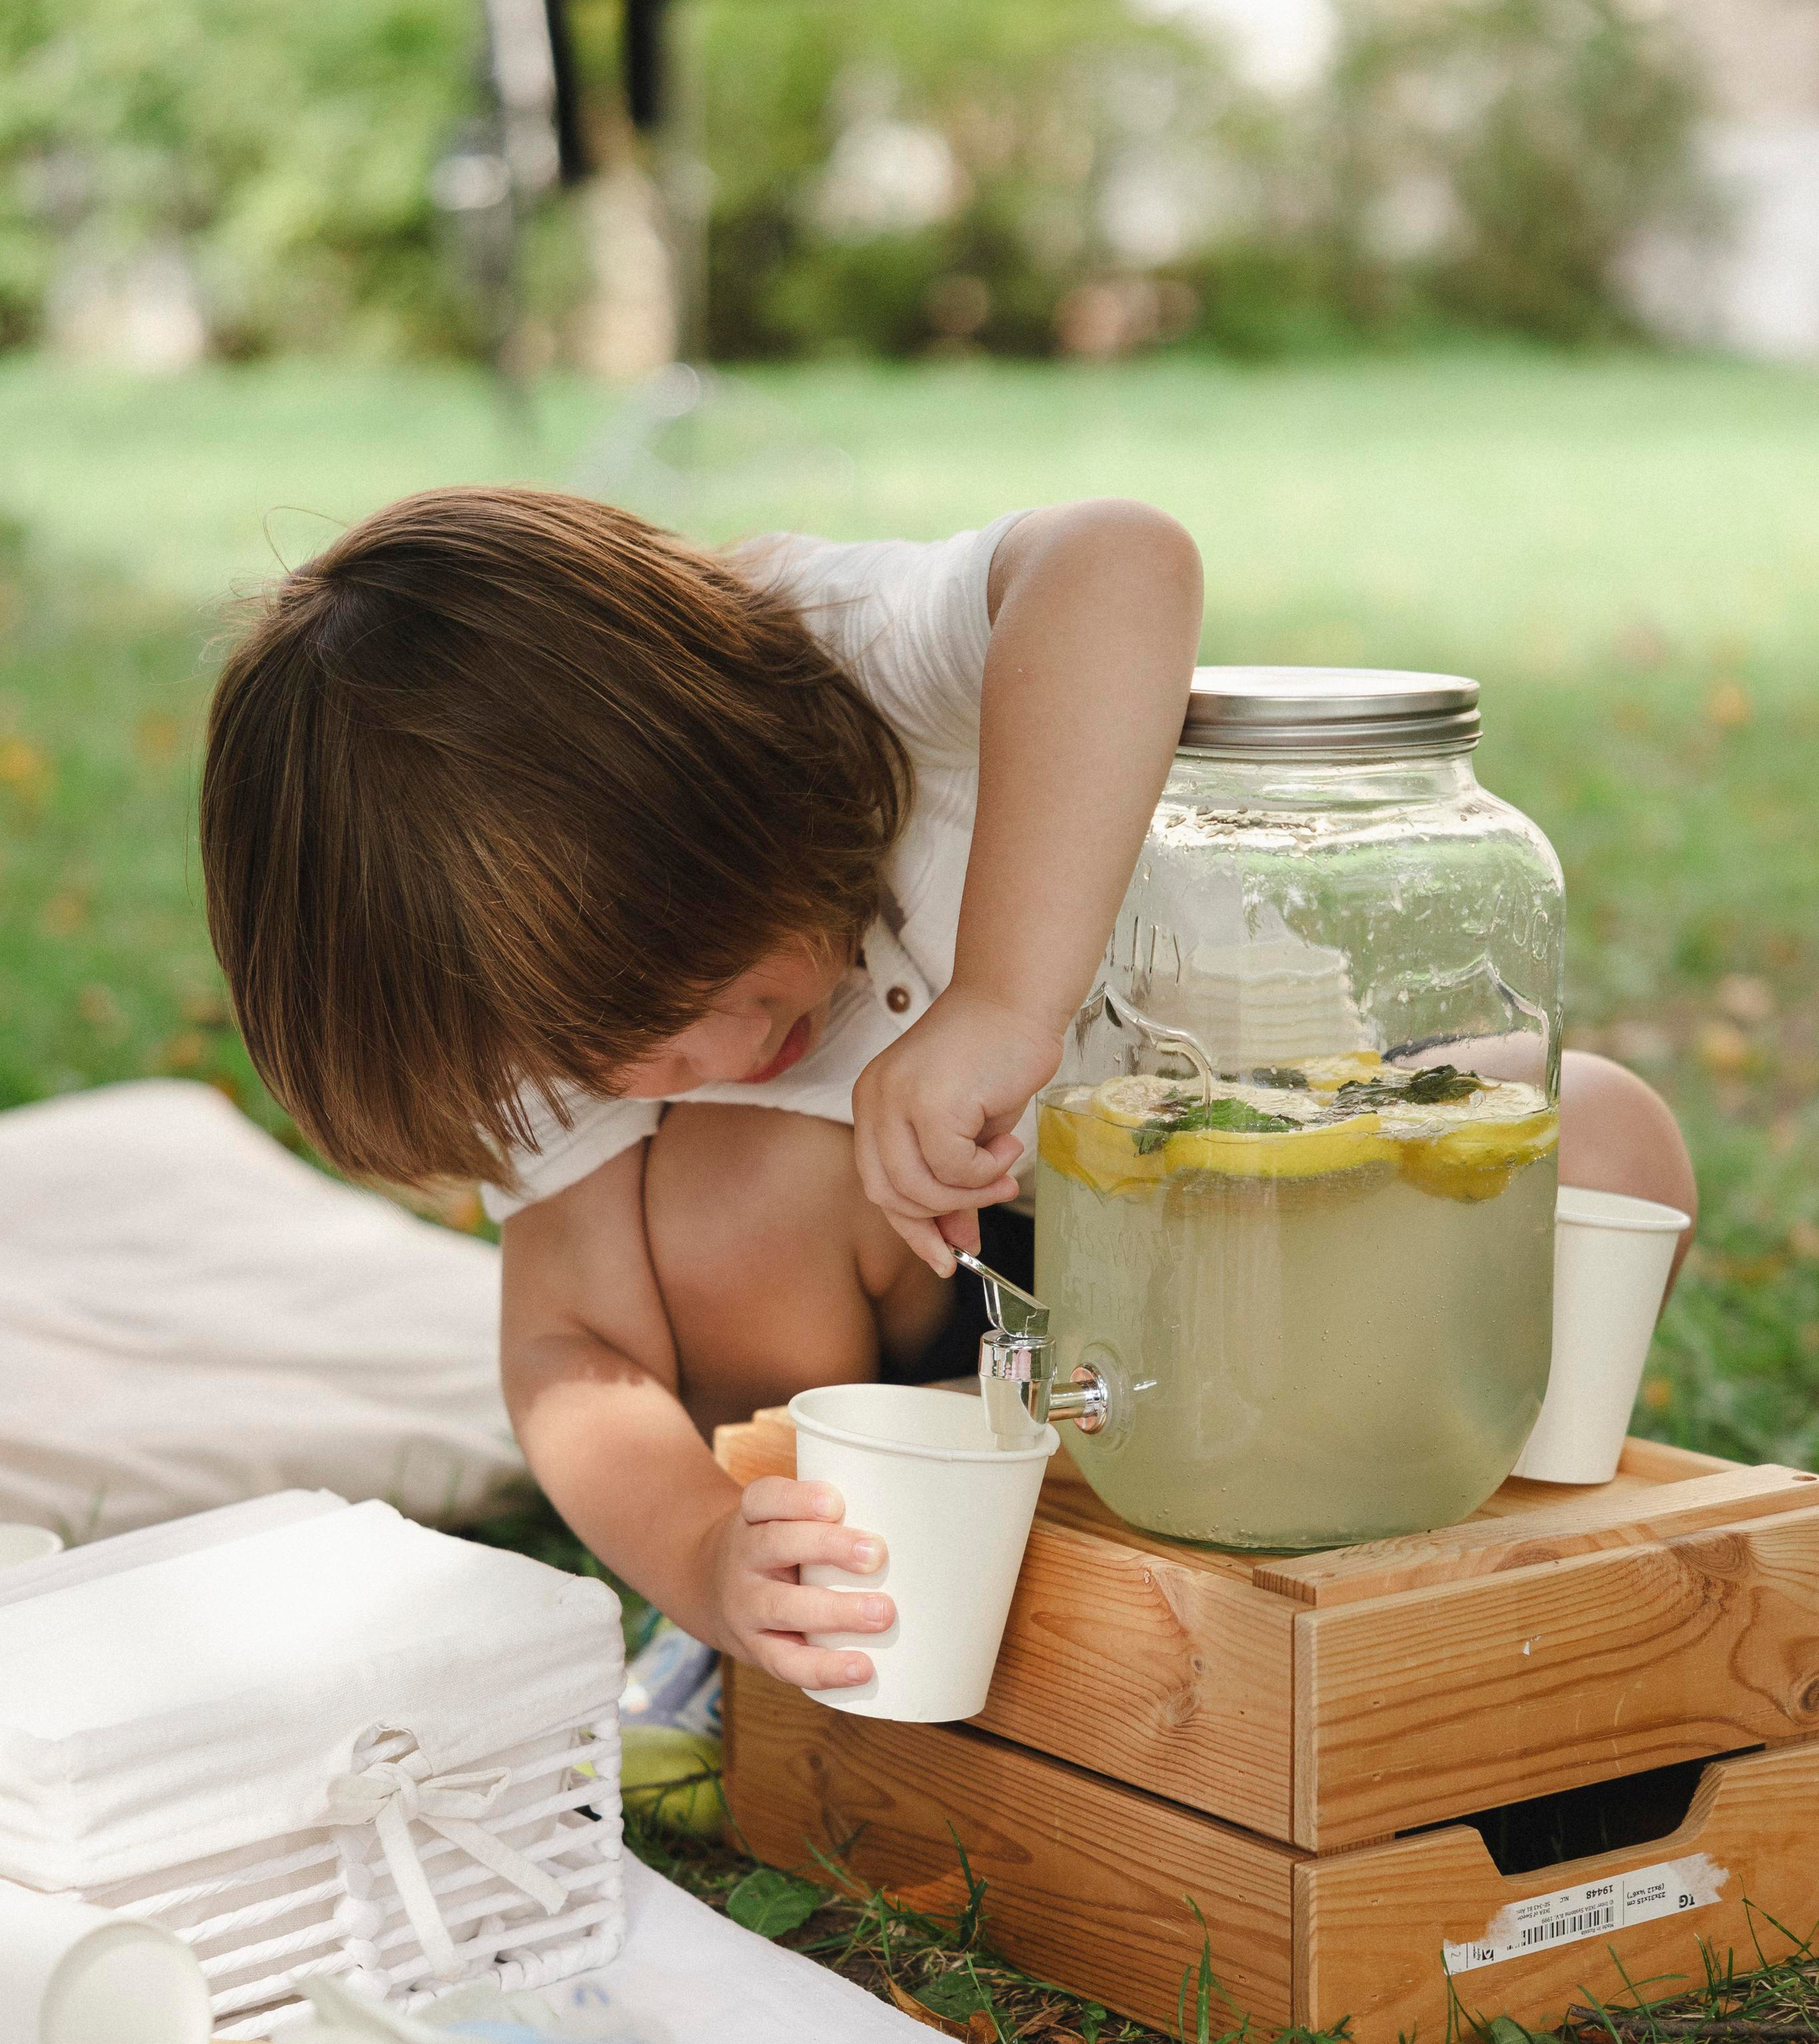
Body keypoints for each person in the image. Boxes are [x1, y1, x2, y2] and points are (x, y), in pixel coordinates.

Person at [201, 489, 1695, 1697]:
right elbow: (574, 1348)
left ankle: (1473, 1561)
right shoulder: (505, 975)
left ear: (736, 792)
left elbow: (1122, 559)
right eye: (620, 1057)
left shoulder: (829, 655)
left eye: (711, 984)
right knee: (727, 1194)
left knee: (1611, 1137)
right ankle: (840, 1571)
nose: (706, 1057)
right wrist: (711, 1556)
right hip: (932, 1347)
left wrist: (1003, 1000)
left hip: (1237, 1237)